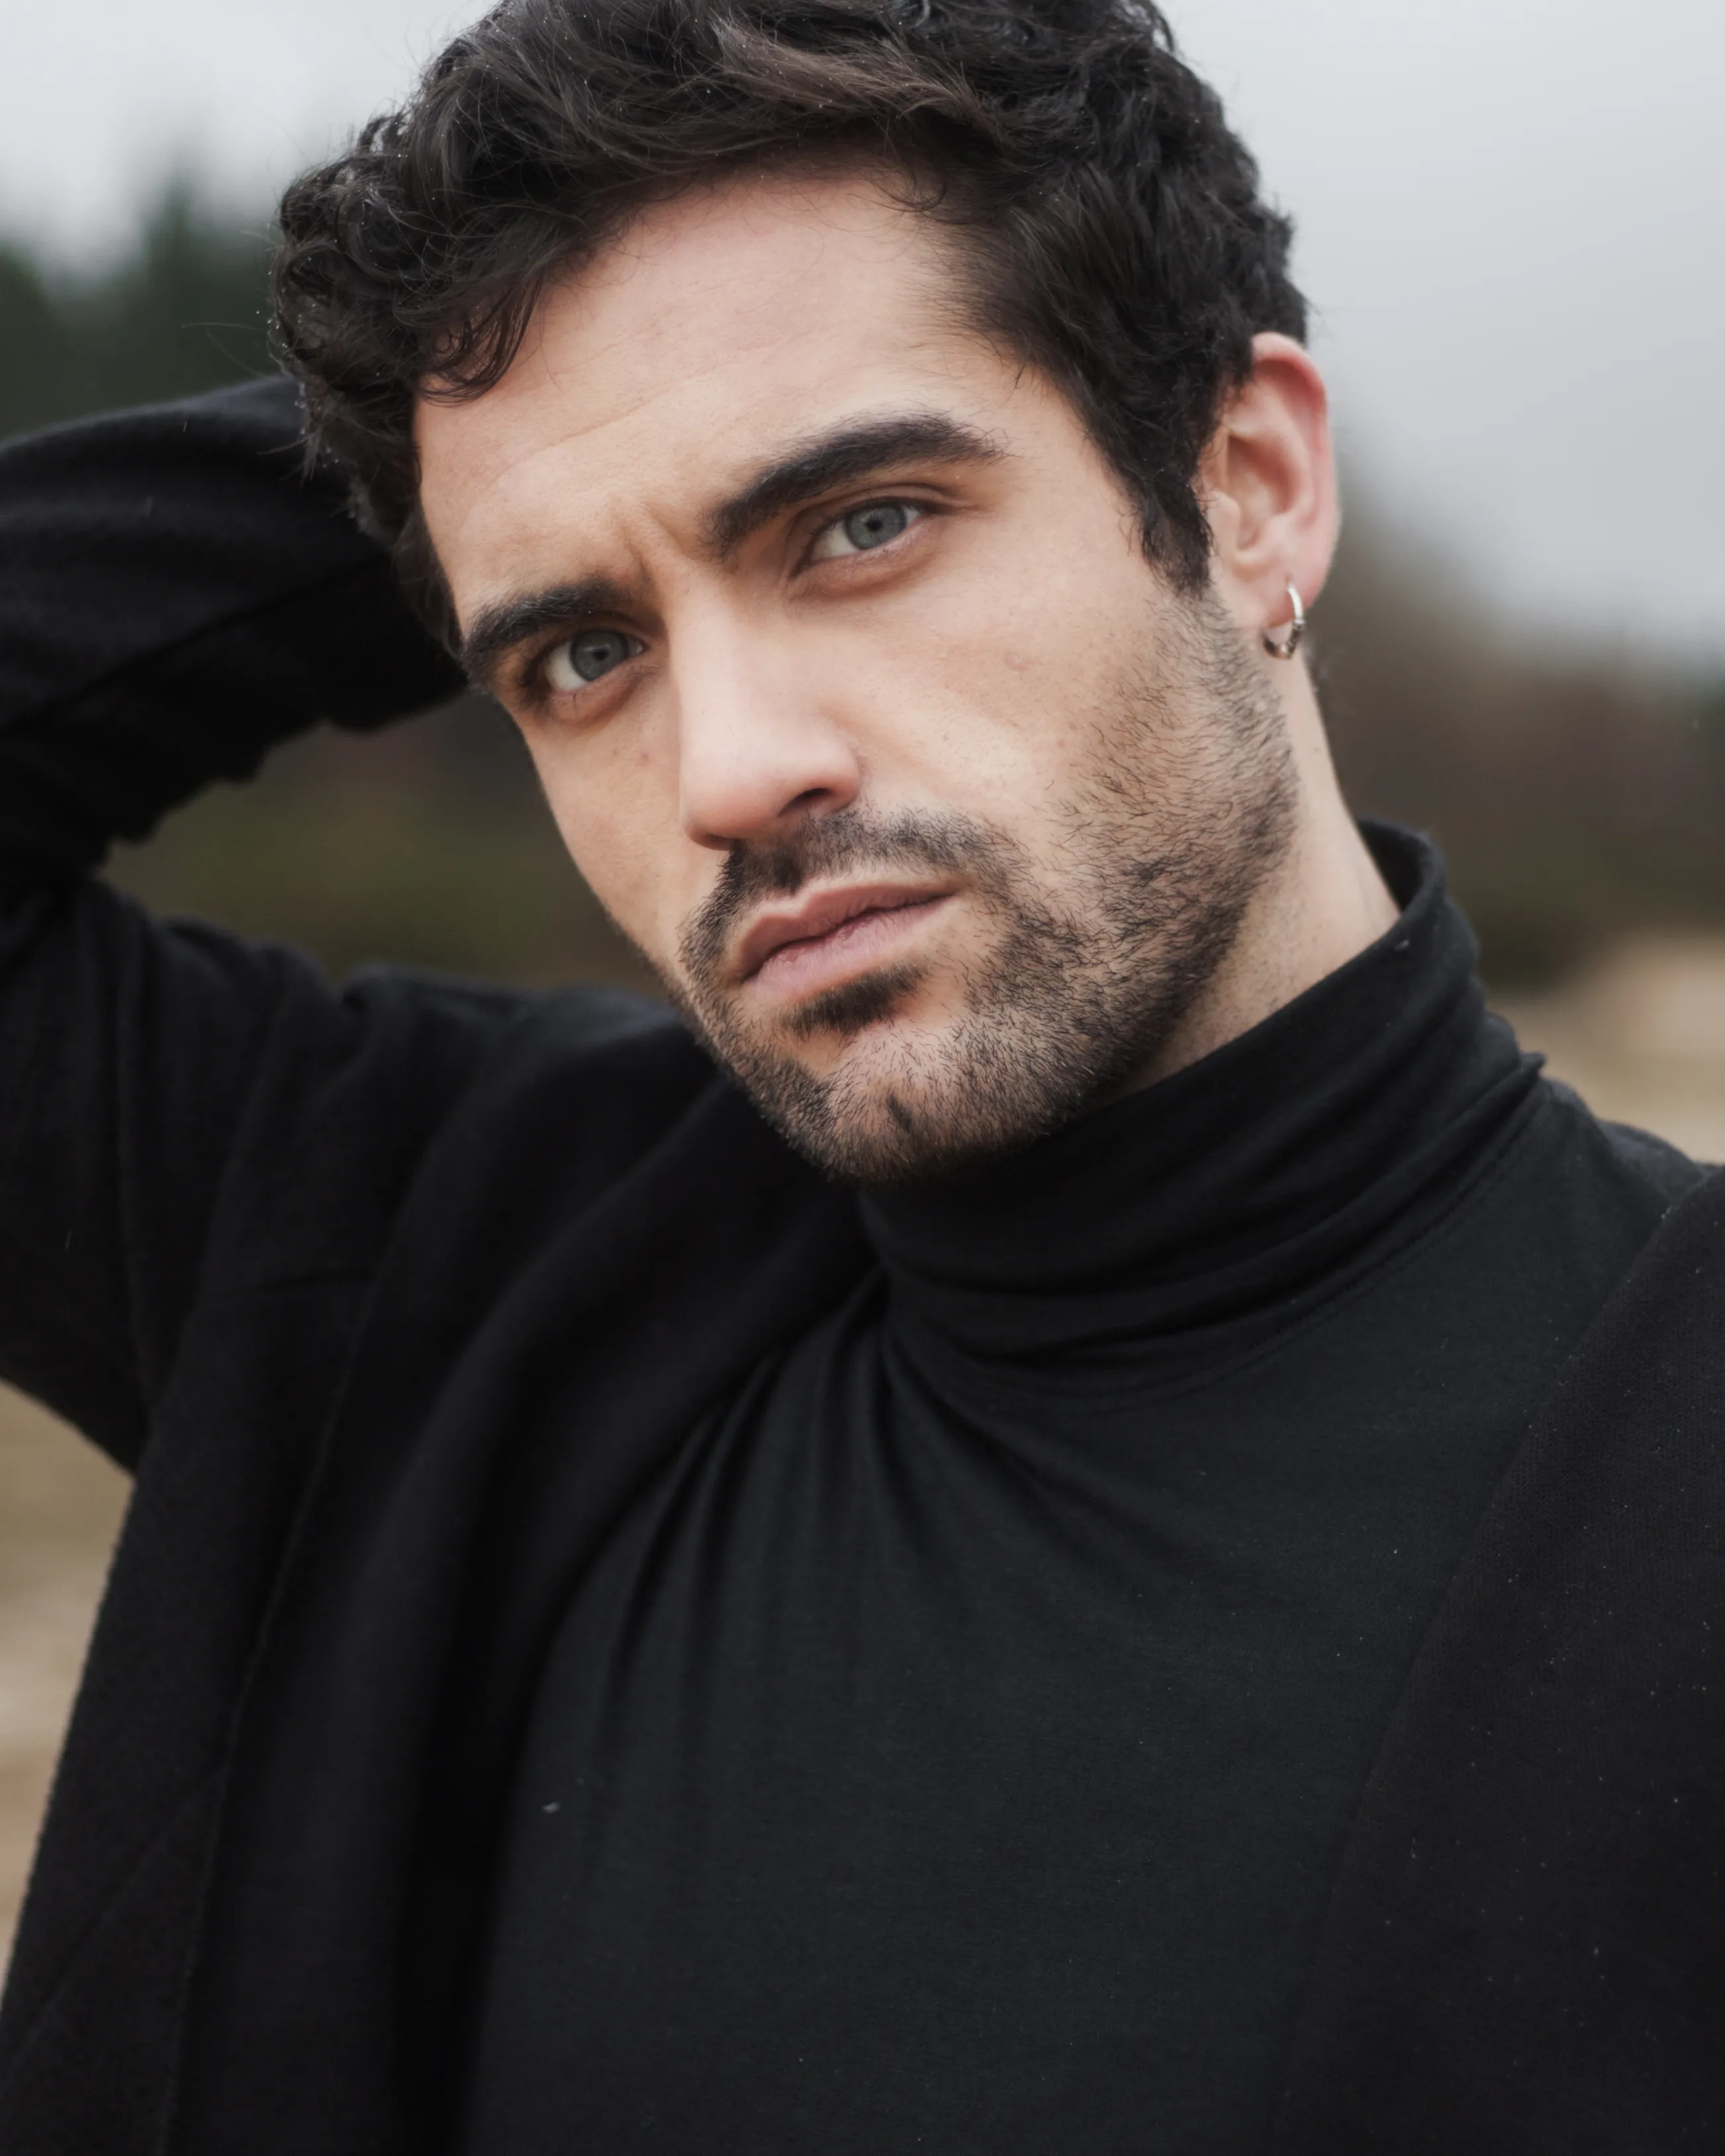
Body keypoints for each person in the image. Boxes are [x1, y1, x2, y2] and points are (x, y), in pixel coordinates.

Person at [1, 0, 1721, 2149]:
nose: (725, 773)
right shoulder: (442, 1263)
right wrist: (480, 436)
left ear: (1247, 488)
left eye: (861, 523)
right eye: (583, 653)